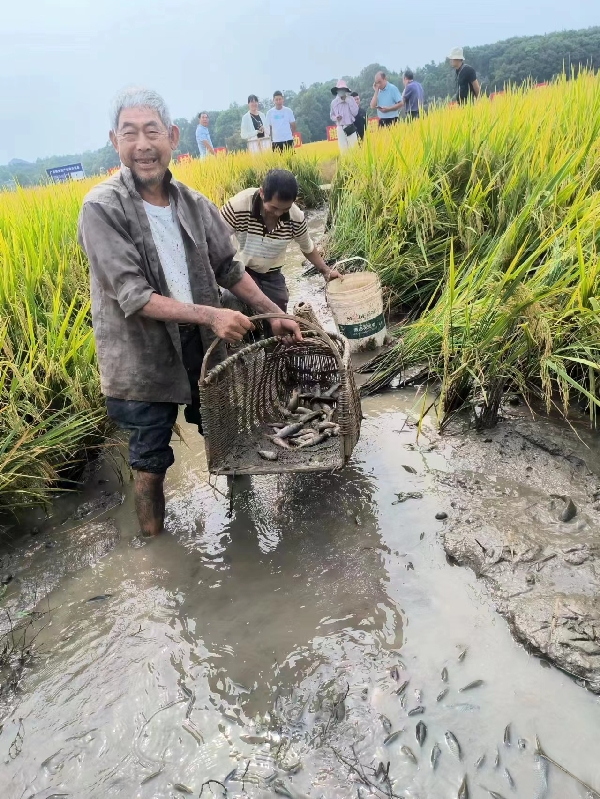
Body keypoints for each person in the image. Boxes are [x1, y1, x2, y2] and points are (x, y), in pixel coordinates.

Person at [78, 88, 301, 538]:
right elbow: (133, 296)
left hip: (201, 347)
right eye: (130, 134)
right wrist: (212, 315)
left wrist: (273, 311)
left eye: (152, 131)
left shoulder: (194, 204)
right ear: (115, 142)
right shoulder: (101, 208)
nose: (143, 144)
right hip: (141, 354)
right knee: (150, 460)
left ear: (172, 137)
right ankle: (156, 548)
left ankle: (247, 527)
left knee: (228, 434)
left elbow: (229, 269)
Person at [221, 169, 341, 312]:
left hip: (272, 273)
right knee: (230, 301)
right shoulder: (238, 206)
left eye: (285, 209)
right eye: (273, 207)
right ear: (262, 193)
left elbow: (307, 247)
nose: (278, 213)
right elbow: (216, 239)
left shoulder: (296, 217)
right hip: (244, 269)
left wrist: (326, 271)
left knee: (279, 317)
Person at [330, 79, 359, 152]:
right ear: (337, 90)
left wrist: (347, 101)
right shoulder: (334, 103)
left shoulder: (351, 99)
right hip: (340, 127)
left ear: (346, 90)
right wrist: (336, 118)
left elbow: (355, 112)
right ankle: (346, 162)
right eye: (340, 89)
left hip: (350, 126)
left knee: (354, 148)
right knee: (343, 149)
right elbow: (331, 115)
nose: (341, 91)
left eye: (343, 89)